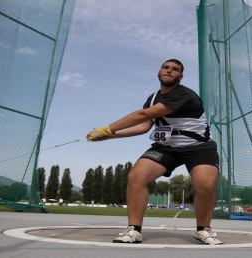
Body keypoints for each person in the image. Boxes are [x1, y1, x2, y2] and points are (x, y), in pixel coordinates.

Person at [86, 59, 223, 245]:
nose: (170, 71)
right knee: (137, 176)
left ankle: (203, 229)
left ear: (180, 77)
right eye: (166, 67)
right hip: (166, 147)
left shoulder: (184, 94)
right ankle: (134, 230)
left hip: (198, 147)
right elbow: (143, 126)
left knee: (206, 184)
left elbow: (142, 116)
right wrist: (110, 136)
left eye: (175, 69)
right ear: (159, 72)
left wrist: (106, 129)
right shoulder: (152, 98)